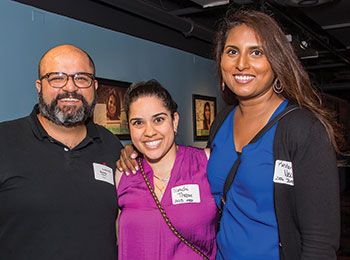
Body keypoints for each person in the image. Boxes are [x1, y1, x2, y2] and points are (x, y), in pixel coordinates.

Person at [117, 9, 341, 260]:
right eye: (232, 51)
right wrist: (133, 151)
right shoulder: (222, 123)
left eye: (256, 52)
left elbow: (320, 242)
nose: (241, 63)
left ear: (277, 61)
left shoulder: (302, 129)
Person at [0, 44, 123, 260]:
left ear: (94, 86)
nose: (70, 88)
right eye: (57, 77)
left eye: (81, 78)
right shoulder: (4, 140)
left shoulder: (111, 145)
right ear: (39, 86)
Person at [115, 79, 217, 259]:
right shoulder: (124, 173)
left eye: (158, 119)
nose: (149, 131)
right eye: (138, 123)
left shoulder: (206, 162)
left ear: (174, 120)